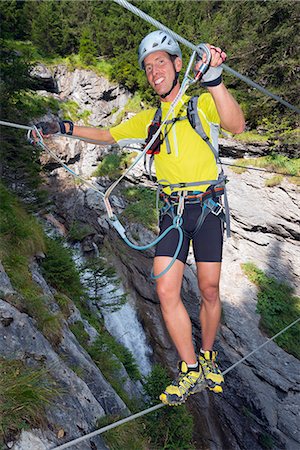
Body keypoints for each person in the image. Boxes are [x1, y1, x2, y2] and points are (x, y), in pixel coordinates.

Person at [34, 30, 245, 406]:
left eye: (160, 62)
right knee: (166, 291)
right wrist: (64, 128)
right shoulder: (148, 120)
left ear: (178, 66)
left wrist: (214, 79)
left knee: (210, 290)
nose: (154, 71)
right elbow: (105, 134)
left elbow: (236, 124)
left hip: (208, 207)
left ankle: (209, 356)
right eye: (148, 67)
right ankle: (190, 369)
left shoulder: (201, 106)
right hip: (173, 213)